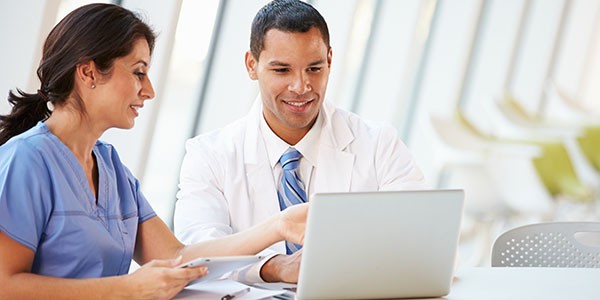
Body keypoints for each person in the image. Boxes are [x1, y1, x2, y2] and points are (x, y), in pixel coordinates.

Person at [0, 3, 307, 299]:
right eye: (138, 72)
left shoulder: (110, 167)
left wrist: (278, 226)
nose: (149, 90)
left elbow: (178, 256)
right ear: (89, 73)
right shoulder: (26, 161)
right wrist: (127, 290)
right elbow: (5, 286)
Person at [174, 0, 427, 284]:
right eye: (282, 70)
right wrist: (275, 267)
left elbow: (429, 248)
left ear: (330, 60)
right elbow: (196, 257)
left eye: (314, 69)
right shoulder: (209, 155)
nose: (301, 87)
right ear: (251, 65)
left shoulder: (379, 144)